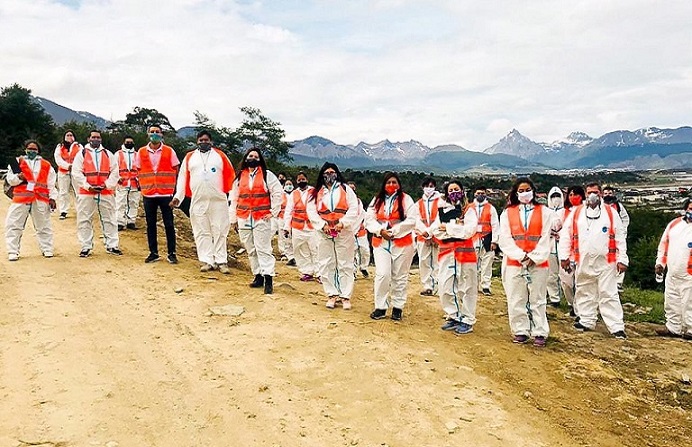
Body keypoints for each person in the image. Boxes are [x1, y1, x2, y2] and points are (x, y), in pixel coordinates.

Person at [558, 182, 628, 339]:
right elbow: (566, 236)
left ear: (601, 194)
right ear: (585, 193)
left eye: (595, 192)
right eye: (589, 192)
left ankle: (616, 326)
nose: (592, 195)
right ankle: (587, 320)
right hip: (582, 260)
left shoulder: (611, 213)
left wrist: (622, 259)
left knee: (608, 293)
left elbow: (620, 237)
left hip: (606, 262)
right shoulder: (576, 213)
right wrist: (564, 257)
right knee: (584, 290)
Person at [498, 178, 553, 347]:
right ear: (515, 193)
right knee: (516, 297)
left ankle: (540, 331)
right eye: (520, 191)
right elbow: (505, 239)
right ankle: (520, 330)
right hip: (515, 262)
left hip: (538, 262)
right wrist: (521, 256)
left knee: (538, 298)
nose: (524, 193)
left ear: (533, 191)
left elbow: (546, 238)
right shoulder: (508, 213)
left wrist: (534, 257)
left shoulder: (545, 212)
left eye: (527, 189)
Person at [171, 131, 235, 273]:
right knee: (201, 231)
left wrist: (232, 197)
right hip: (198, 200)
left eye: (206, 140)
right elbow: (182, 178)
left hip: (218, 200)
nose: (203, 142)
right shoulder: (190, 157)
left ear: (211, 142)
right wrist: (178, 197)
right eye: (201, 140)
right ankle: (207, 261)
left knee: (219, 230)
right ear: (197, 141)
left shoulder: (220, 156)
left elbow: (231, 176)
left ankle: (221, 261)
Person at [229, 147, 283, 294]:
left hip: (261, 217)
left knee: (263, 248)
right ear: (246, 158)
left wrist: (273, 212)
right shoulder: (240, 177)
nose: (252, 158)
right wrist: (233, 219)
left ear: (260, 160)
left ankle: (268, 278)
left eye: (255, 156)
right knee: (250, 248)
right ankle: (257, 275)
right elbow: (234, 198)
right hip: (244, 216)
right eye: (250, 156)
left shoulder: (267, 175)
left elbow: (278, 193)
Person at [365, 172, 417, 321]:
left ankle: (398, 307)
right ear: (384, 184)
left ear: (399, 184)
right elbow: (369, 219)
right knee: (383, 274)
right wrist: (380, 230)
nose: (391, 185)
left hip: (401, 242)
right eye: (388, 182)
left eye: (394, 182)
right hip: (381, 242)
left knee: (399, 276)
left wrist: (394, 231)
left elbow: (412, 220)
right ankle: (380, 307)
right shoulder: (377, 200)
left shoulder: (406, 199)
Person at [307, 162, 360, 309]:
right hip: (323, 232)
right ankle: (331, 294)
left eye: (332, 172)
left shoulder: (346, 189)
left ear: (337, 173)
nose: (329, 175)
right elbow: (311, 211)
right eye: (326, 172)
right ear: (322, 175)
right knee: (325, 262)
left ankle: (345, 296)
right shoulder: (315, 192)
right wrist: (321, 225)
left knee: (345, 263)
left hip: (343, 231)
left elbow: (353, 208)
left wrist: (343, 223)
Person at [432, 180, 479, 335]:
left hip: (465, 253)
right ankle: (453, 315)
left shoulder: (469, 210)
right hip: (447, 253)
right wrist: (454, 230)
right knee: (445, 286)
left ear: (462, 191)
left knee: (467, 287)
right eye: (450, 190)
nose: (453, 192)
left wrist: (448, 228)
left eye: (456, 189)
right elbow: (437, 231)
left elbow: (469, 231)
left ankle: (467, 319)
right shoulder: (442, 211)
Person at [4, 140, 57, 260]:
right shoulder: (16, 162)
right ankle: (13, 251)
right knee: (14, 224)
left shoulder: (46, 165)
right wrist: (19, 177)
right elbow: (10, 180)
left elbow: (51, 184)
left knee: (44, 225)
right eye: (29, 149)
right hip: (21, 198)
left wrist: (53, 198)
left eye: (34, 149)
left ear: (38, 151)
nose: (32, 151)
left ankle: (47, 249)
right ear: (25, 149)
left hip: (40, 198)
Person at [71, 130, 121, 257]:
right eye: (93, 137)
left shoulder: (108, 154)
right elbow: (76, 172)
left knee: (109, 218)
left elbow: (115, 172)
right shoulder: (81, 154)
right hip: (86, 192)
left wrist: (107, 184)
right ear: (88, 139)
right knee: (84, 219)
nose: (96, 139)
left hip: (105, 191)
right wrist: (88, 186)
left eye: (98, 137)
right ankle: (85, 246)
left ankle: (112, 245)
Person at [137, 125, 180, 264]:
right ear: (148, 134)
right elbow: (138, 169)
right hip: (148, 193)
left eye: (157, 132)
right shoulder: (141, 151)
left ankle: (172, 253)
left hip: (165, 193)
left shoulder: (169, 151)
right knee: (150, 224)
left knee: (169, 224)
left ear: (162, 135)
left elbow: (176, 168)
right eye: (152, 132)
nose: (154, 134)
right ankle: (153, 253)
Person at [654, 198, 692, 339]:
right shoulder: (674, 224)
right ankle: (673, 328)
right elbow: (664, 245)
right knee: (671, 301)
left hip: (689, 274)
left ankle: (690, 329)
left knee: (690, 303)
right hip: (672, 272)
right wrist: (660, 264)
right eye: (690, 208)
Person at [283, 172, 319, 281]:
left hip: (312, 226)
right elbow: (288, 211)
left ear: (307, 180)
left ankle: (319, 273)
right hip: (297, 227)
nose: (301, 181)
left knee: (316, 250)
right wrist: (286, 228)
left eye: (303, 179)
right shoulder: (293, 194)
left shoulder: (314, 192)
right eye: (299, 180)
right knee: (301, 250)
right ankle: (307, 272)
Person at [559, 185, 586, 316]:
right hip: (568, 253)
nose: (572, 197)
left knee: (582, 283)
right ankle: (572, 304)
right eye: (570, 194)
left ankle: (581, 310)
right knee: (566, 282)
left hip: (583, 254)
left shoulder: (588, 211)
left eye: (575, 194)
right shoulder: (563, 212)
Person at [415, 177, 441, 296]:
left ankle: (438, 284)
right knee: (424, 261)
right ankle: (427, 286)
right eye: (427, 186)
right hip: (422, 235)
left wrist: (431, 233)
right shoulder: (419, 203)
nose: (429, 188)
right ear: (422, 187)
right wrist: (425, 233)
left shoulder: (441, 201)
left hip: (438, 235)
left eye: (431, 186)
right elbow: (416, 219)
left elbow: (440, 219)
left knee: (438, 261)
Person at [471, 186, 500, 296]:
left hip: (487, 238)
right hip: (473, 238)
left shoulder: (491, 208)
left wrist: (494, 241)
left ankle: (485, 286)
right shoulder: (470, 207)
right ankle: (473, 285)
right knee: (472, 264)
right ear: (474, 194)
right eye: (478, 193)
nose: (480, 195)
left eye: (482, 193)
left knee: (487, 264)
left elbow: (495, 225)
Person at [603, 186, 630, 291]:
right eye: (605, 193)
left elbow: (625, 218)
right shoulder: (600, 206)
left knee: (620, 257)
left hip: (618, 236)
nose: (608, 195)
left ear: (613, 194)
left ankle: (618, 283)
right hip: (604, 237)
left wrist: (622, 231)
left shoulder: (618, 206)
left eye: (609, 193)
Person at [53, 130, 82, 219]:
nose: (69, 136)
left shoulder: (79, 146)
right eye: (67, 135)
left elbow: (82, 157)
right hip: (63, 171)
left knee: (78, 191)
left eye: (71, 135)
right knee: (63, 192)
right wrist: (67, 166)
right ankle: (63, 211)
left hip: (76, 171)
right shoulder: (60, 147)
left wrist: (75, 167)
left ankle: (80, 210)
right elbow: (58, 159)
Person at [114, 135, 140, 231]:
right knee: (120, 203)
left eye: (131, 142)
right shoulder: (118, 154)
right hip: (122, 182)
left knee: (134, 203)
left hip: (135, 183)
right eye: (127, 142)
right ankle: (120, 222)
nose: (129, 144)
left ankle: (131, 222)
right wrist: (117, 178)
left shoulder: (137, 155)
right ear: (124, 142)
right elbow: (113, 167)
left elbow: (141, 169)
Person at [546, 186, 565, 307]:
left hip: (564, 247)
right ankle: (554, 298)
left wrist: (561, 234)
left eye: (558, 196)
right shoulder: (546, 213)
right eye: (553, 197)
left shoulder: (566, 212)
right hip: (550, 246)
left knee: (565, 275)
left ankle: (570, 300)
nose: (555, 199)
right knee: (551, 275)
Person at [348, 181, 370, 278]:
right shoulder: (344, 202)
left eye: (353, 188)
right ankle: (352, 271)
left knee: (365, 251)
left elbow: (363, 214)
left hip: (361, 231)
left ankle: (363, 267)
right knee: (353, 252)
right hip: (350, 232)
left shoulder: (358, 202)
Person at [277, 178, 296, 266]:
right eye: (287, 184)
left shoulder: (295, 194)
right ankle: (287, 255)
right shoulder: (281, 195)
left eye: (290, 184)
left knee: (293, 237)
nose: (289, 186)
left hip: (293, 219)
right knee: (283, 237)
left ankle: (295, 255)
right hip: (281, 218)